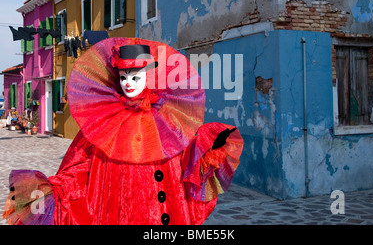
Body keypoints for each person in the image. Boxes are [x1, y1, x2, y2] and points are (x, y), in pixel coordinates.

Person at [3, 37, 243, 225]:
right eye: (124, 77)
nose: (128, 83)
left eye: (135, 77)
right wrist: (57, 188)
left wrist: (208, 145)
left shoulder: (165, 116)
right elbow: (82, 162)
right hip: (117, 206)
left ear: (148, 77)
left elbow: (183, 152)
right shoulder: (105, 119)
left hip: (162, 206)